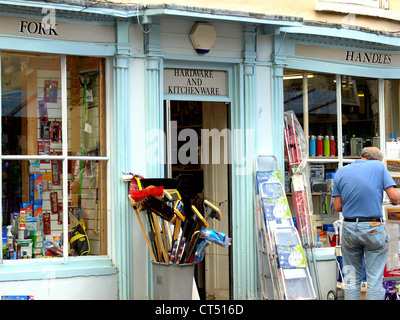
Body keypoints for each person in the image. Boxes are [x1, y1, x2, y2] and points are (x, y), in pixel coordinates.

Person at [332, 146, 399, 300]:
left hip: (348, 228)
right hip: (373, 228)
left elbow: (337, 207)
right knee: (374, 279)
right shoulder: (379, 167)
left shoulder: (341, 171)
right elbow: (394, 198)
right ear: (376, 159)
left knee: (351, 281)